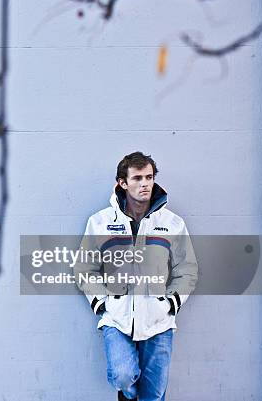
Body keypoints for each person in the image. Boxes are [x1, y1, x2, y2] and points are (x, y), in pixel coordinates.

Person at [73, 152, 198, 401]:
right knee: (122, 376)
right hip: (116, 318)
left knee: (154, 394)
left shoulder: (172, 224)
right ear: (122, 182)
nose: (145, 184)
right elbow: (84, 268)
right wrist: (102, 303)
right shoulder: (100, 222)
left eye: (149, 177)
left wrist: (171, 303)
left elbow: (188, 269)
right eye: (138, 178)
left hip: (159, 322)